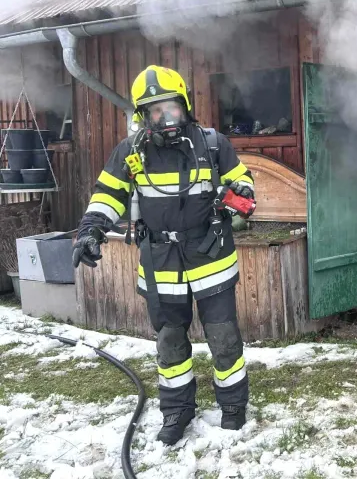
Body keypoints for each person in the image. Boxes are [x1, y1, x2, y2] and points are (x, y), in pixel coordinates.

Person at [72, 65, 255, 445]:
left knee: (223, 336)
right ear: (144, 115)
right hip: (160, 262)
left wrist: (241, 190)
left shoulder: (213, 143)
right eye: (155, 110)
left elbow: (242, 178)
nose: (165, 116)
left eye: (171, 106)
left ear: (184, 105)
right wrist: (90, 229)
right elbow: (109, 194)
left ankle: (233, 407)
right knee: (170, 340)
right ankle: (176, 411)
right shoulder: (131, 151)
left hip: (211, 256)